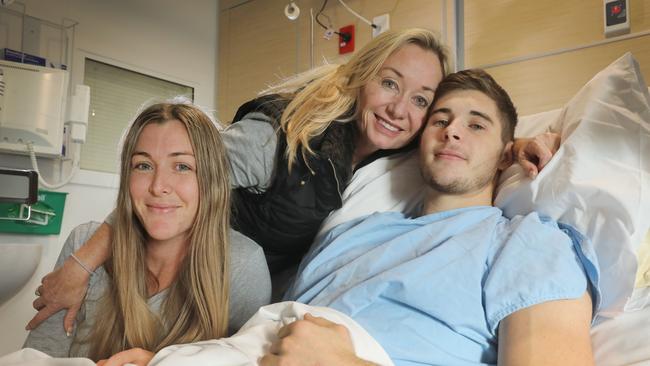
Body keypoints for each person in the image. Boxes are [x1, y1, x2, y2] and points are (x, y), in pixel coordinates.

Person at [27, 28, 560, 335]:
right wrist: (83, 260)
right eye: (389, 83)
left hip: (246, 296)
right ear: (361, 79)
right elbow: (170, 180)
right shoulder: (279, 134)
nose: (401, 109)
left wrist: (505, 149)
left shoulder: (392, 155)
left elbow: (457, 141)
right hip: (188, 271)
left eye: (421, 100)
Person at [68, 69, 595, 366]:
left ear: (506, 153)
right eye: (441, 119)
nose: (453, 131)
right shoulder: (350, 233)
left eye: (476, 125)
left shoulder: (527, 243)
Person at [22, 101, 271, 361]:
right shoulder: (82, 244)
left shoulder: (242, 266)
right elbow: (38, 357)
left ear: (211, 179)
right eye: (143, 165)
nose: (158, 186)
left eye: (182, 166)